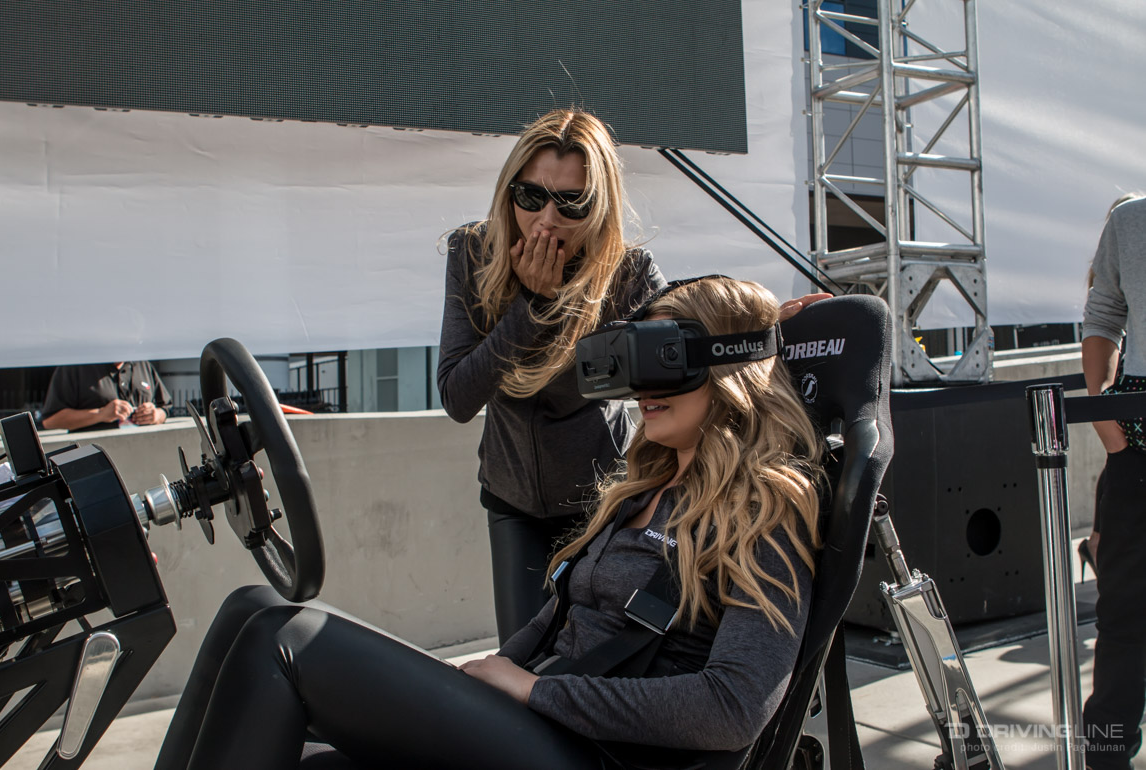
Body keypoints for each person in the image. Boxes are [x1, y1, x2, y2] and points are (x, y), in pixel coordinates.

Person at [154, 277, 824, 770]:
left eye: (665, 360)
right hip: (541, 725)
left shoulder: (767, 509)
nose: (643, 387)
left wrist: (537, 691)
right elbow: (556, 621)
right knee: (251, 608)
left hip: (604, 756)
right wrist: (487, 675)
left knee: (283, 637)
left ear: (729, 369)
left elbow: (734, 707)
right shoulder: (640, 491)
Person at [437, 108, 667, 641]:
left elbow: (687, 332)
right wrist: (531, 304)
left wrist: (762, 322)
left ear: (598, 205)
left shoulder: (625, 270)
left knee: (589, 656)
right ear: (509, 192)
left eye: (571, 203)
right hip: (512, 498)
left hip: (603, 501)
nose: (546, 219)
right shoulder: (473, 252)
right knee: (521, 653)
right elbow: (457, 396)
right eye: (531, 196)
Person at [1080, 193, 1146, 770]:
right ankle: (1106, 756)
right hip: (1140, 441)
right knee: (1124, 614)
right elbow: (1104, 313)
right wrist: (1105, 417)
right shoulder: (1131, 219)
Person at [40, 361, 172, 431]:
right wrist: (100, 414)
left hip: (142, 457)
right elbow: (50, 421)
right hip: (96, 463)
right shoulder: (76, 366)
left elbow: (165, 408)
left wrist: (155, 416)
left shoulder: (143, 365)